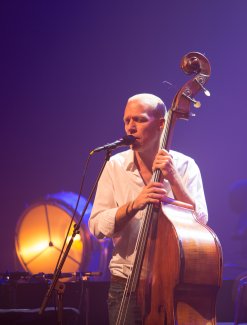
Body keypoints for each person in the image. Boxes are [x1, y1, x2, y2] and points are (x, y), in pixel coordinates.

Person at [88, 93, 208, 324]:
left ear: (162, 123)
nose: (131, 127)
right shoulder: (115, 165)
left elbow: (200, 221)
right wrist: (133, 206)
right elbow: (97, 226)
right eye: (127, 120)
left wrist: (173, 178)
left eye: (140, 120)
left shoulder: (185, 166)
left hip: (173, 283)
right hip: (125, 284)